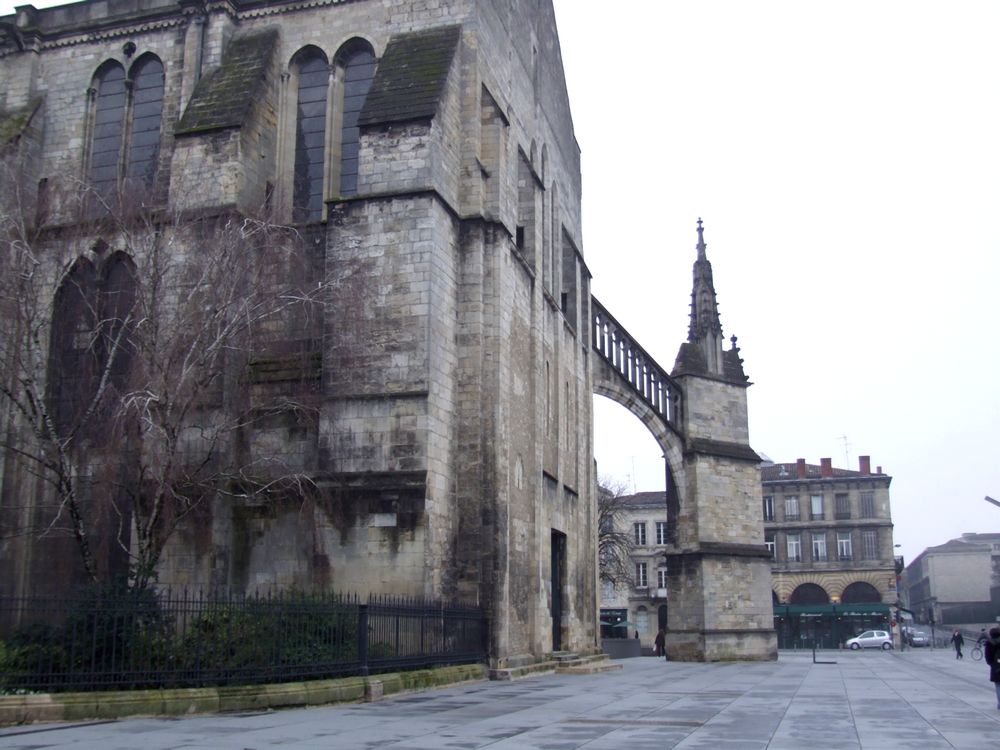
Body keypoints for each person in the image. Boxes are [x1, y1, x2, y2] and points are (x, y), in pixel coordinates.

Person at [985, 627, 1000, 710]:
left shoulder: (989, 643)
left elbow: (988, 657)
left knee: (998, 685)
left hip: (996, 666)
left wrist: (992, 664)